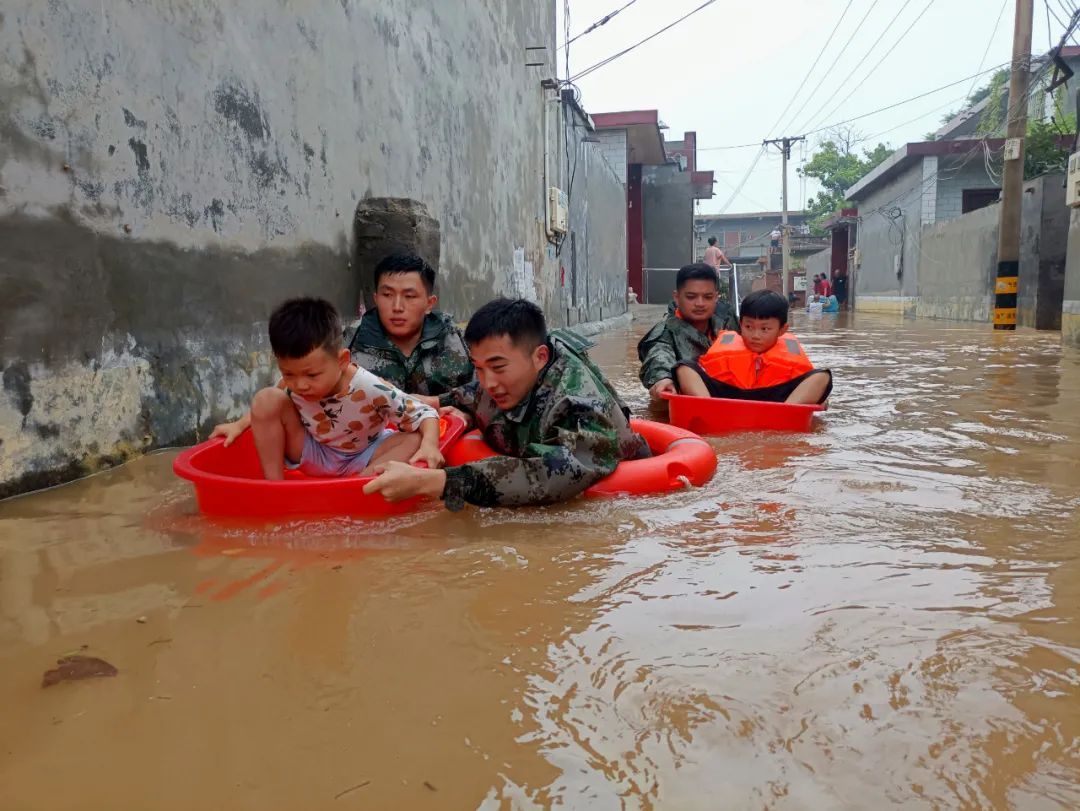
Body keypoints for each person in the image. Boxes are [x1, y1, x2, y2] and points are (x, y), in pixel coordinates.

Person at [363, 298, 649, 510]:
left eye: (498, 367)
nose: (488, 382)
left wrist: (431, 482)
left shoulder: (580, 403)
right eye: (478, 367)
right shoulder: (505, 377)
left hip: (618, 499)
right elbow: (474, 391)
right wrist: (435, 403)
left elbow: (554, 474)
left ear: (539, 357)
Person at [211, 298, 443, 479]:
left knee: (413, 439)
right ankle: (274, 486)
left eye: (312, 375)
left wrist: (430, 446)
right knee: (267, 397)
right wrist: (239, 425)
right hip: (313, 452)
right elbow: (265, 407)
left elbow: (425, 413)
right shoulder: (292, 385)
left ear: (342, 361)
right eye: (288, 373)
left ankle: (360, 486)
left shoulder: (368, 386)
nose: (300, 384)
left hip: (366, 455)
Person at [349, 253, 473, 404]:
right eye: (387, 295)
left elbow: (487, 390)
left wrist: (440, 402)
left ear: (429, 304)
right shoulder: (351, 340)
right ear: (376, 299)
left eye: (409, 296)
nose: (397, 307)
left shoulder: (454, 337)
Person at [675, 289, 832, 406]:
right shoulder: (729, 343)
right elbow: (700, 368)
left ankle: (786, 414)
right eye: (749, 326)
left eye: (765, 329)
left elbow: (812, 382)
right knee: (683, 367)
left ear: (782, 330)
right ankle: (708, 409)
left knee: (822, 376)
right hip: (726, 394)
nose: (755, 335)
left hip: (776, 399)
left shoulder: (788, 350)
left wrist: (820, 397)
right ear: (740, 324)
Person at [637, 263, 737, 399]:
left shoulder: (728, 321)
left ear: (716, 298)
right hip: (695, 401)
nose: (700, 303)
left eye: (707, 297)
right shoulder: (665, 332)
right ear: (677, 297)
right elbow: (658, 356)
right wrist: (662, 379)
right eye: (691, 297)